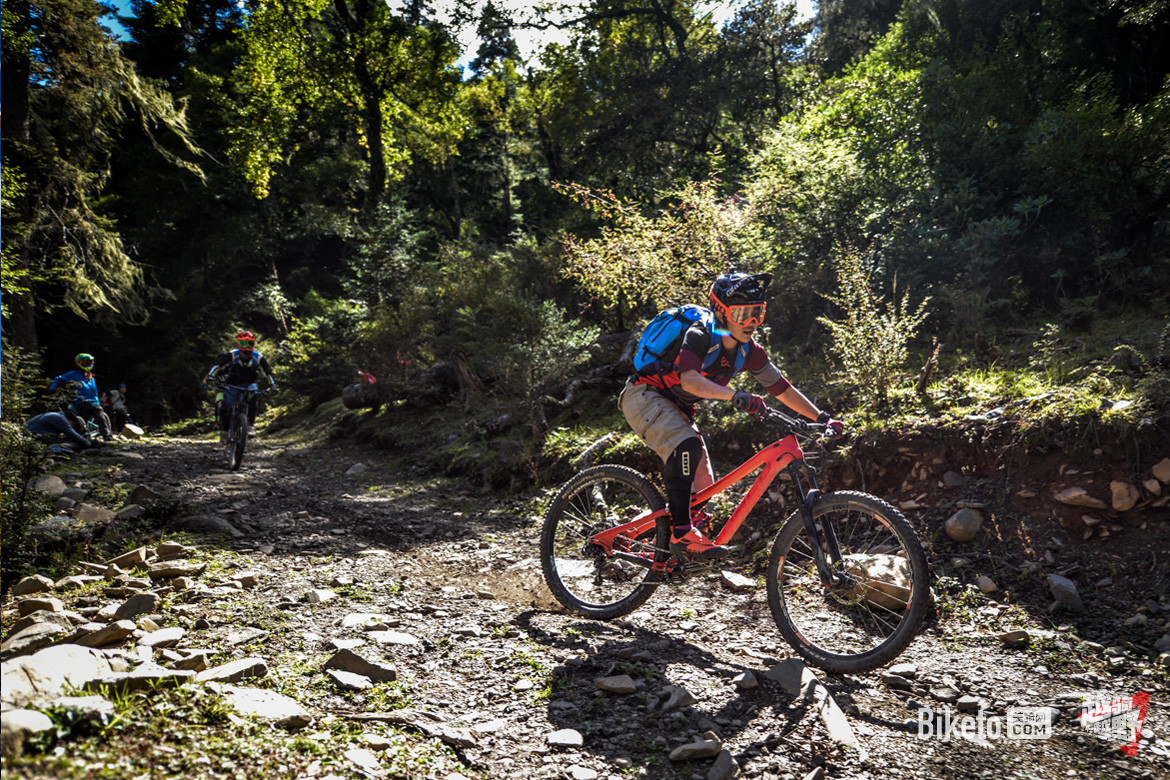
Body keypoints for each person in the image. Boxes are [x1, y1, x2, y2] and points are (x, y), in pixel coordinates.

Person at [620, 271, 844, 558]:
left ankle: (669, 552)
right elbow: (689, 380)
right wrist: (736, 395)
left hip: (676, 406)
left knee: (703, 488)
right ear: (721, 313)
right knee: (686, 445)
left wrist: (821, 418)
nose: (751, 323)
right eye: (742, 314)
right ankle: (681, 534)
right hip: (644, 396)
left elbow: (782, 389)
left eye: (757, 314)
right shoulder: (700, 334)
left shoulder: (749, 351)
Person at [203, 331, 277, 442]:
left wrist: (273, 385)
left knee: (253, 399)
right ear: (238, 345)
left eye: (250, 344)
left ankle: (251, 425)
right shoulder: (232, 355)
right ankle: (224, 430)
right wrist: (210, 377)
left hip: (249, 384)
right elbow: (218, 366)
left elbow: (268, 372)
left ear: (253, 345)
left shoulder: (258, 357)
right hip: (231, 385)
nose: (247, 348)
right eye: (243, 344)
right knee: (226, 406)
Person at [49, 353, 111, 440]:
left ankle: (107, 436)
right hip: (82, 402)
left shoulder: (91, 376)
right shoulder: (73, 374)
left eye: (89, 363)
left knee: (101, 417)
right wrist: (53, 388)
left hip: (94, 402)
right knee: (83, 419)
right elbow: (58, 379)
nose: (87, 365)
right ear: (78, 363)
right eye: (84, 363)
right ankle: (82, 435)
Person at [25, 411, 99, 450]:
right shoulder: (60, 419)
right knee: (74, 443)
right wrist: (89, 443)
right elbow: (74, 436)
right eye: (75, 428)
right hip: (34, 436)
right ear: (73, 422)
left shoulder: (56, 415)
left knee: (65, 440)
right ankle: (54, 449)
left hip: (32, 435)